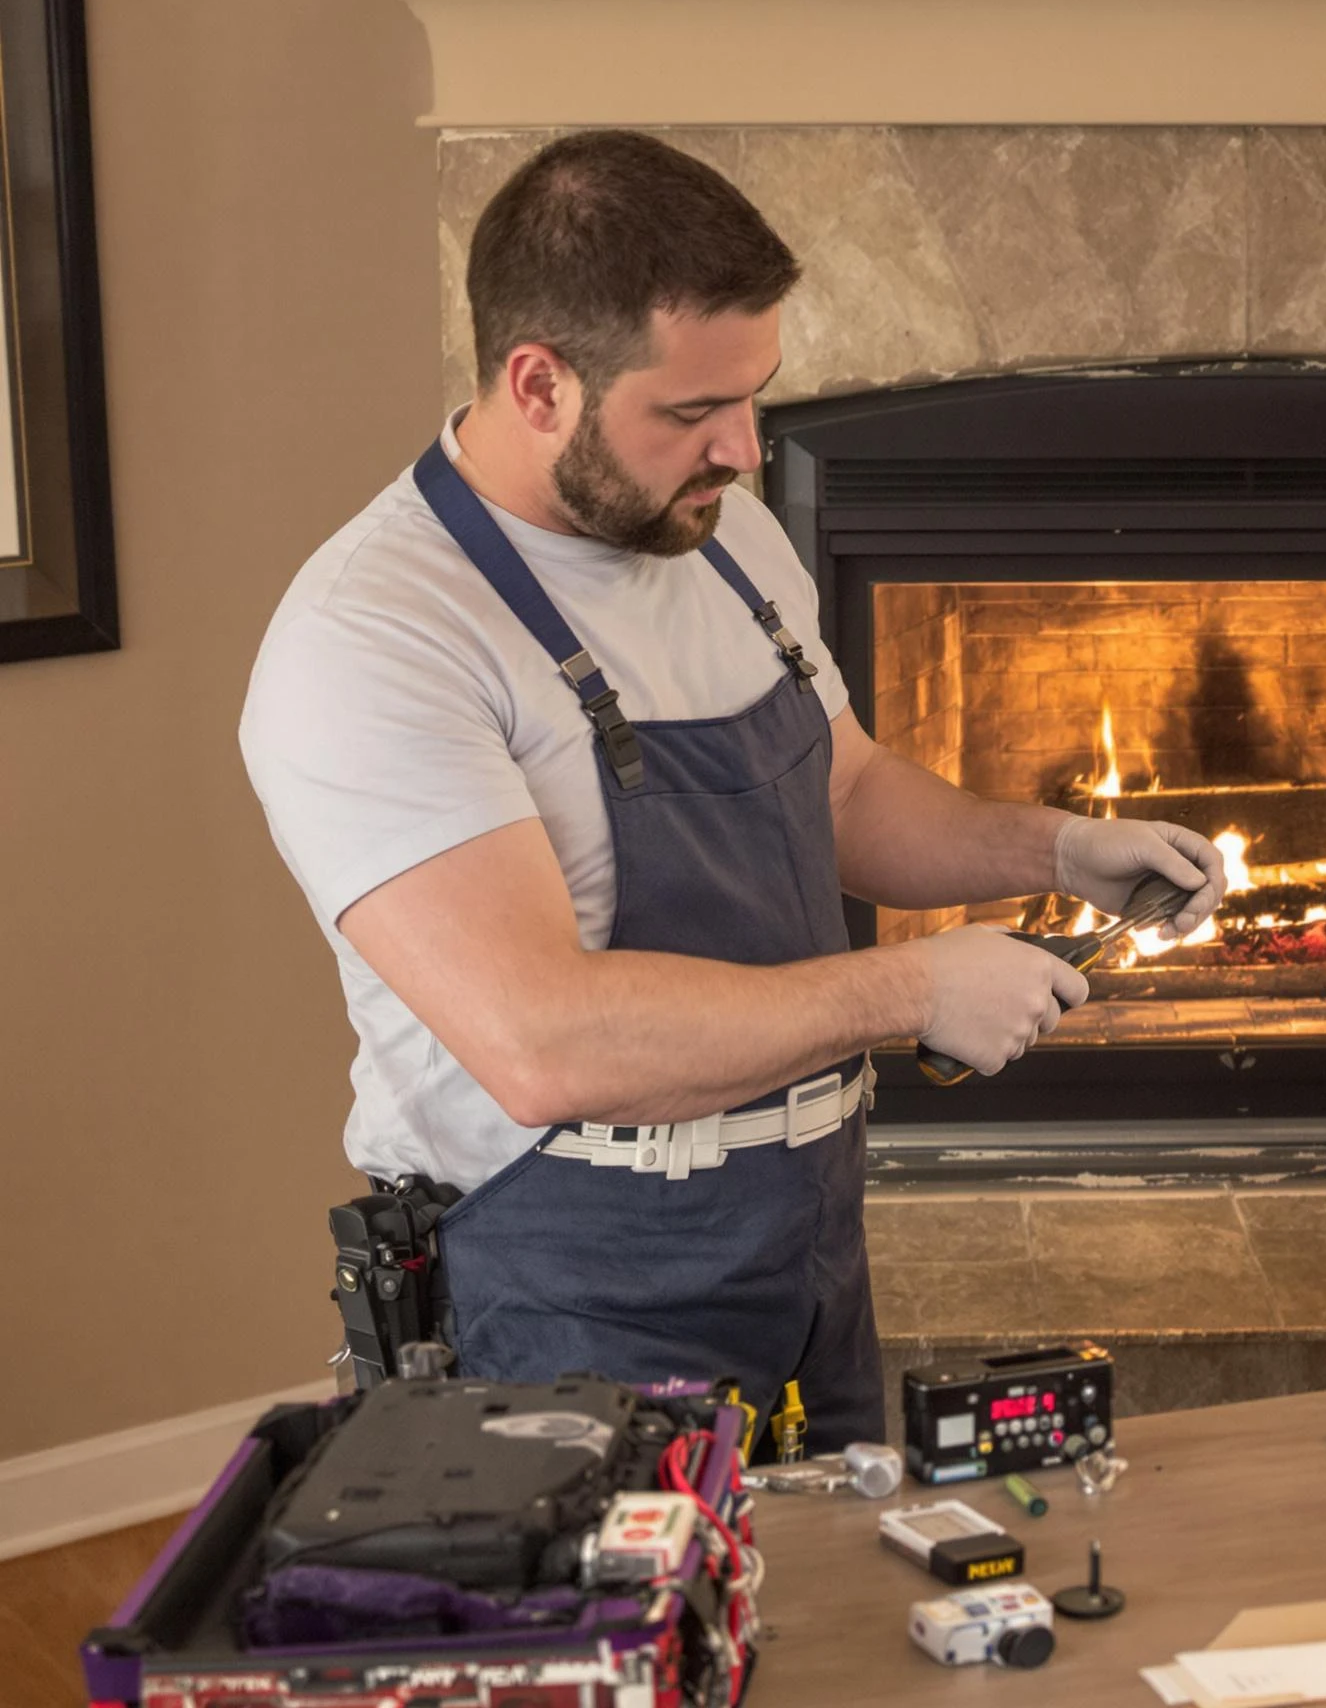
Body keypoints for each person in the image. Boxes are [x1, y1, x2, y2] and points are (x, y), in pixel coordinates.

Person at [239, 130, 1224, 1449]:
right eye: (693, 414)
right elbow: (545, 1045)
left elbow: (842, 794)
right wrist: (915, 989)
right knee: (661, 1655)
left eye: (754, 396)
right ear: (539, 384)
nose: (747, 453)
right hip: (568, 1293)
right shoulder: (376, 636)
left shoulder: (722, 540)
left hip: (803, 1243)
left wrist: (1056, 848)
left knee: (846, 1637)